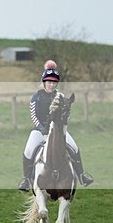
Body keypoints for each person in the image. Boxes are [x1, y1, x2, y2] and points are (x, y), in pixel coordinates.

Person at [17, 61, 94, 191]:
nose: (52, 85)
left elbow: (66, 116)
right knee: (28, 150)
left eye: (54, 83)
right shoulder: (36, 97)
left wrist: (64, 121)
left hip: (58, 130)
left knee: (74, 148)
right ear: (44, 82)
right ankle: (26, 180)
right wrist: (42, 129)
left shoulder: (60, 97)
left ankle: (82, 176)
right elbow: (34, 116)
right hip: (40, 131)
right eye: (49, 82)